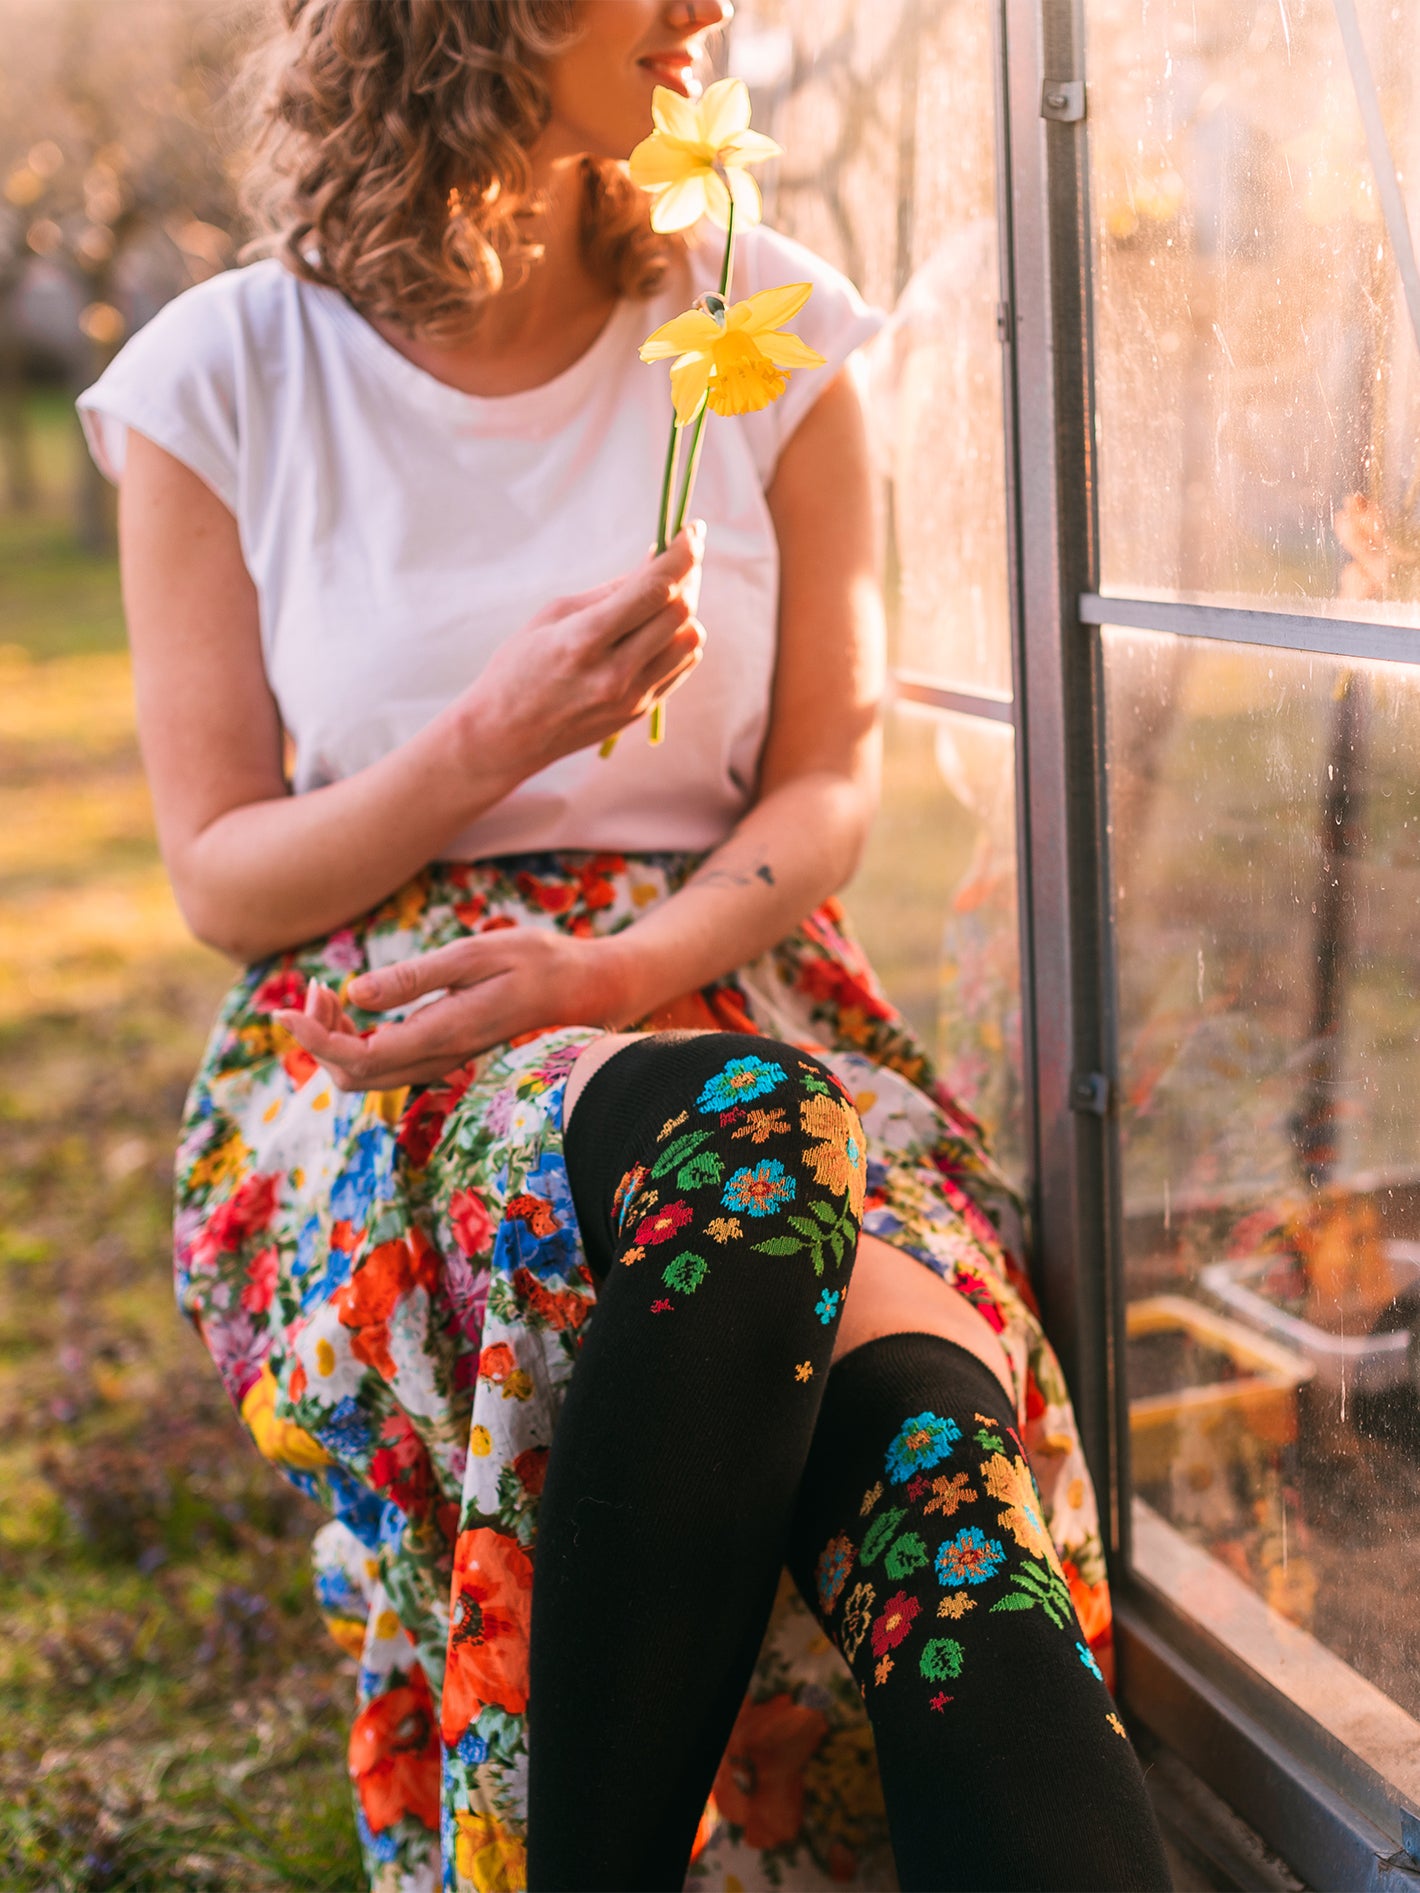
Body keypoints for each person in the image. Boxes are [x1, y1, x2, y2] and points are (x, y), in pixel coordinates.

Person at [78, 2, 1171, 1888]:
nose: (710, 13)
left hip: (728, 980)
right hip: (397, 1037)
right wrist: (494, 742)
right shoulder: (225, 376)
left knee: (924, 1430)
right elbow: (223, 877)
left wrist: (617, 969)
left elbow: (828, 784)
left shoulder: (767, 329)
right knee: (760, 1157)